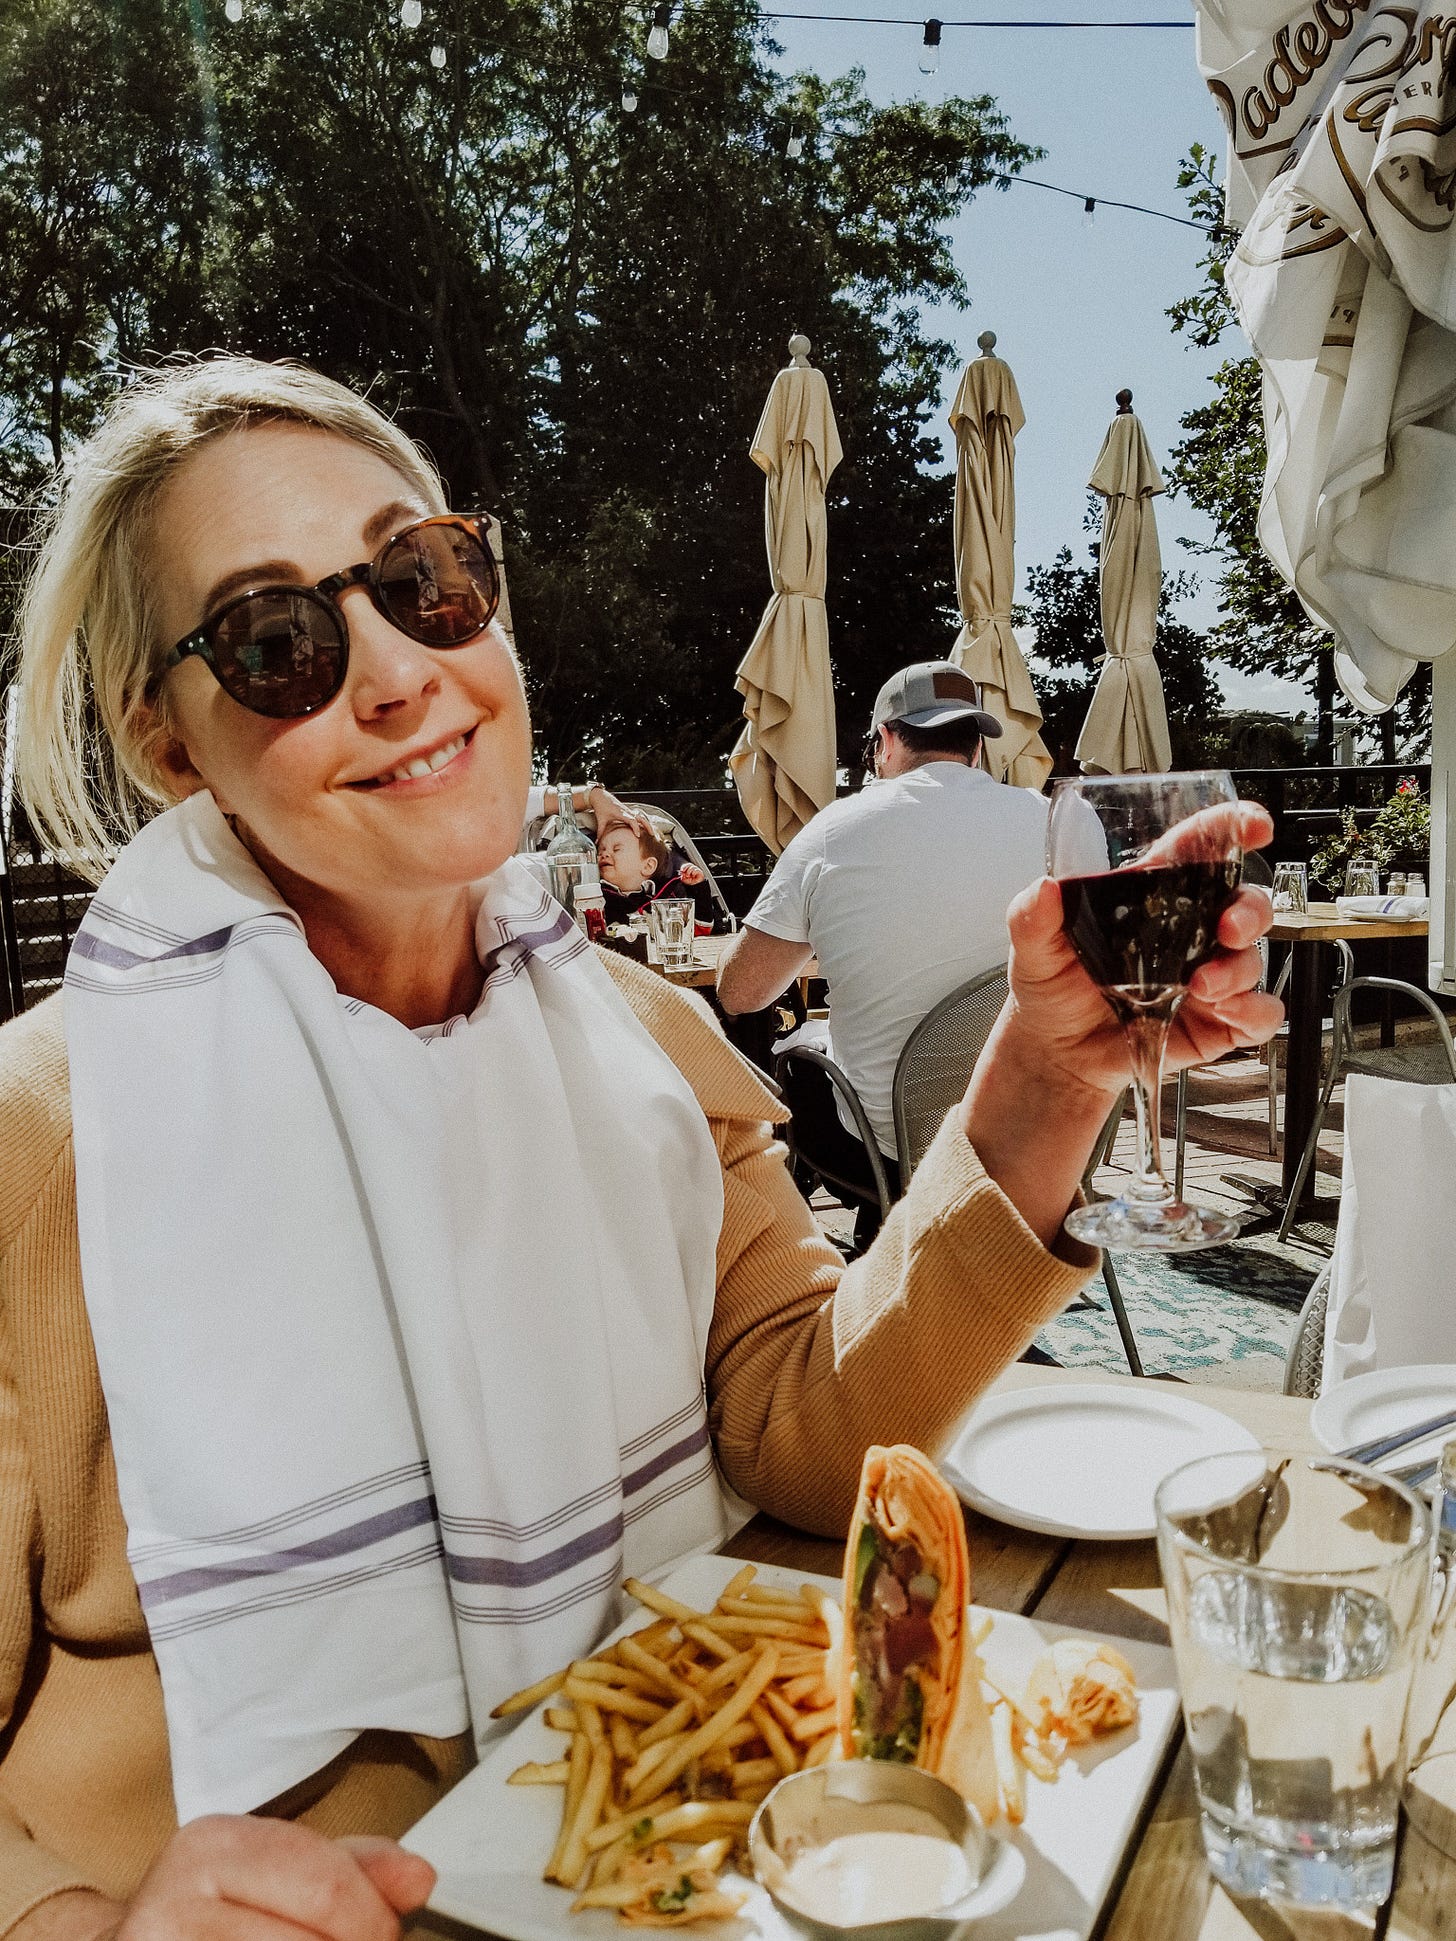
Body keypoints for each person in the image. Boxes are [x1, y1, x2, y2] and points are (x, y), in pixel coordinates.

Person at [0, 355, 1280, 1940]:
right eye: (280, 642)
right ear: (171, 745)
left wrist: (1040, 1078)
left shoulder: (641, 1038)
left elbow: (805, 1433)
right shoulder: (50, 1141)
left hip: (685, 1885)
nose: (400, 671)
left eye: (426, 579)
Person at [717, 662, 1050, 1239]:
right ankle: (907, 1239)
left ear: (886, 741)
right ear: (976, 748)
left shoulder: (832, 832)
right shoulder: (1057, 822)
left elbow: (742, 993)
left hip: (890, 1153)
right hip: (1047, 1141)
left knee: (791, 1052)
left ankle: (812, 1240)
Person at [596, 816, 716, 929]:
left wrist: (699, 888)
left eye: (616, 849)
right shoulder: (595, 899)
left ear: (648, 866)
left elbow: (699, 930)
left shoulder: (666, 897)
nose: (604, 854)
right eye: (600, 850)